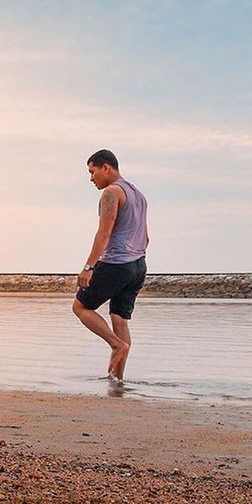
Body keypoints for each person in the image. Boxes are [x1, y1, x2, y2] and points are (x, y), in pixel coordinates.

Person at [72, 149, 149, 380]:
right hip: (139, 265)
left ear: (106, 167)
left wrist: (89, 267)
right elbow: (146, 236)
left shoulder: (111, 193)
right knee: (119, 318)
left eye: (92, 171)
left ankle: (116, 345)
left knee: (80, 307)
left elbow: (104, 232)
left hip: (116, 263)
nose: (91, 178)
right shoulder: (139, 195)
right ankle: (117, 379)